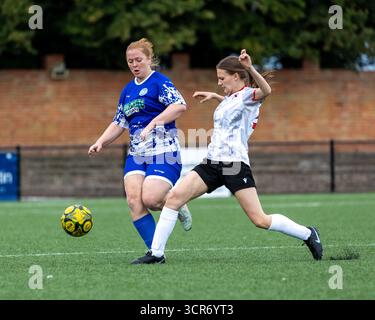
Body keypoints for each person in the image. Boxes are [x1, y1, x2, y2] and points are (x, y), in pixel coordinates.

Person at [131, 49, 323, 264]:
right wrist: (217, 97)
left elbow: (266, 91)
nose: (220, 82)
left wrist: (250, 67)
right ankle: (156, 254)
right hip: (212, 163)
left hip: (234, 165)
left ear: (236, 76)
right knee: (174, 198)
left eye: (222, 78)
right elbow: (234, 103)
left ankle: (308, 234)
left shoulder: (250, 95)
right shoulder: (231, 98)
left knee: (260, 219)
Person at [88, 38, 192, 250]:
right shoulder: (127, 91)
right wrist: (101, 142)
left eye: (138, 60)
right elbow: (119, 122)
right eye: (130, 61)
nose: (134, 65)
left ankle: (177, 203)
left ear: (149, 59)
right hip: (137, 154)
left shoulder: (159, 82)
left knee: (152, 200)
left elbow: (180, 106)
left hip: (164, 151)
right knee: (134, 201)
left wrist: (153, 123)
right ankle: (155, 251)